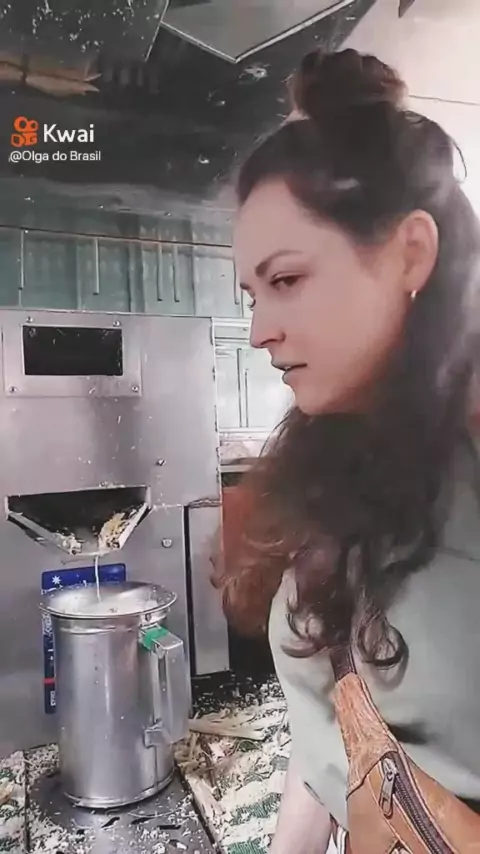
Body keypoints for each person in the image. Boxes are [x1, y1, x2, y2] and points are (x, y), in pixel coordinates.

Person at [213, 48, 480, 853]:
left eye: (287, 280)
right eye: (251, 294)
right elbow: (337, 736)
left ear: (410, 255)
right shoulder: (329, 462)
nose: (258, 331)